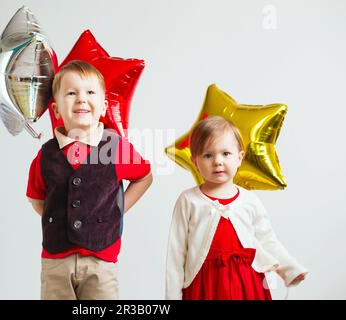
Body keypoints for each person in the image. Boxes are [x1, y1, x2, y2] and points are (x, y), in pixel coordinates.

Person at [26, 60, 153, 300]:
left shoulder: (115, 148)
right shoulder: (46, 155)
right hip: (55, 261)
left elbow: (144, 177)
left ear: (104, 107)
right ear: (55, 110)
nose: (81, 99)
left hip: (101, 260)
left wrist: (119, 207)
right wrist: (61, 216)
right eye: (71, 93)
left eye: (90, 92)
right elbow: (37, 198)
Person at [166, 115, 307, 300]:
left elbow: (267, 240)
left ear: (239, 157)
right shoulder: (188, 200)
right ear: (195, 162)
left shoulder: (249, 201)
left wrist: (290, 269)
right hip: (205, 285)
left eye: (226, 154)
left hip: (247, 282)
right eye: (208, 155)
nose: (217, 161)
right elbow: (176, 255)